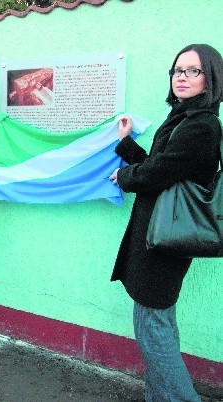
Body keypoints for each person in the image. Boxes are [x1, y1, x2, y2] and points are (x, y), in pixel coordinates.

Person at [109, 44, 223, 401]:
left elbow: (157, 173)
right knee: (158, 325)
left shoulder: (202, 125)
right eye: (177, 70)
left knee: (153, 330)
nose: (182, 77)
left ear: (211, 78)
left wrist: (127, 176)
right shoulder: (183, 118)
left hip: (164, 241)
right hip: (157, 234)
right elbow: (164, 166)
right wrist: (127, 146)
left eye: (193, 70)